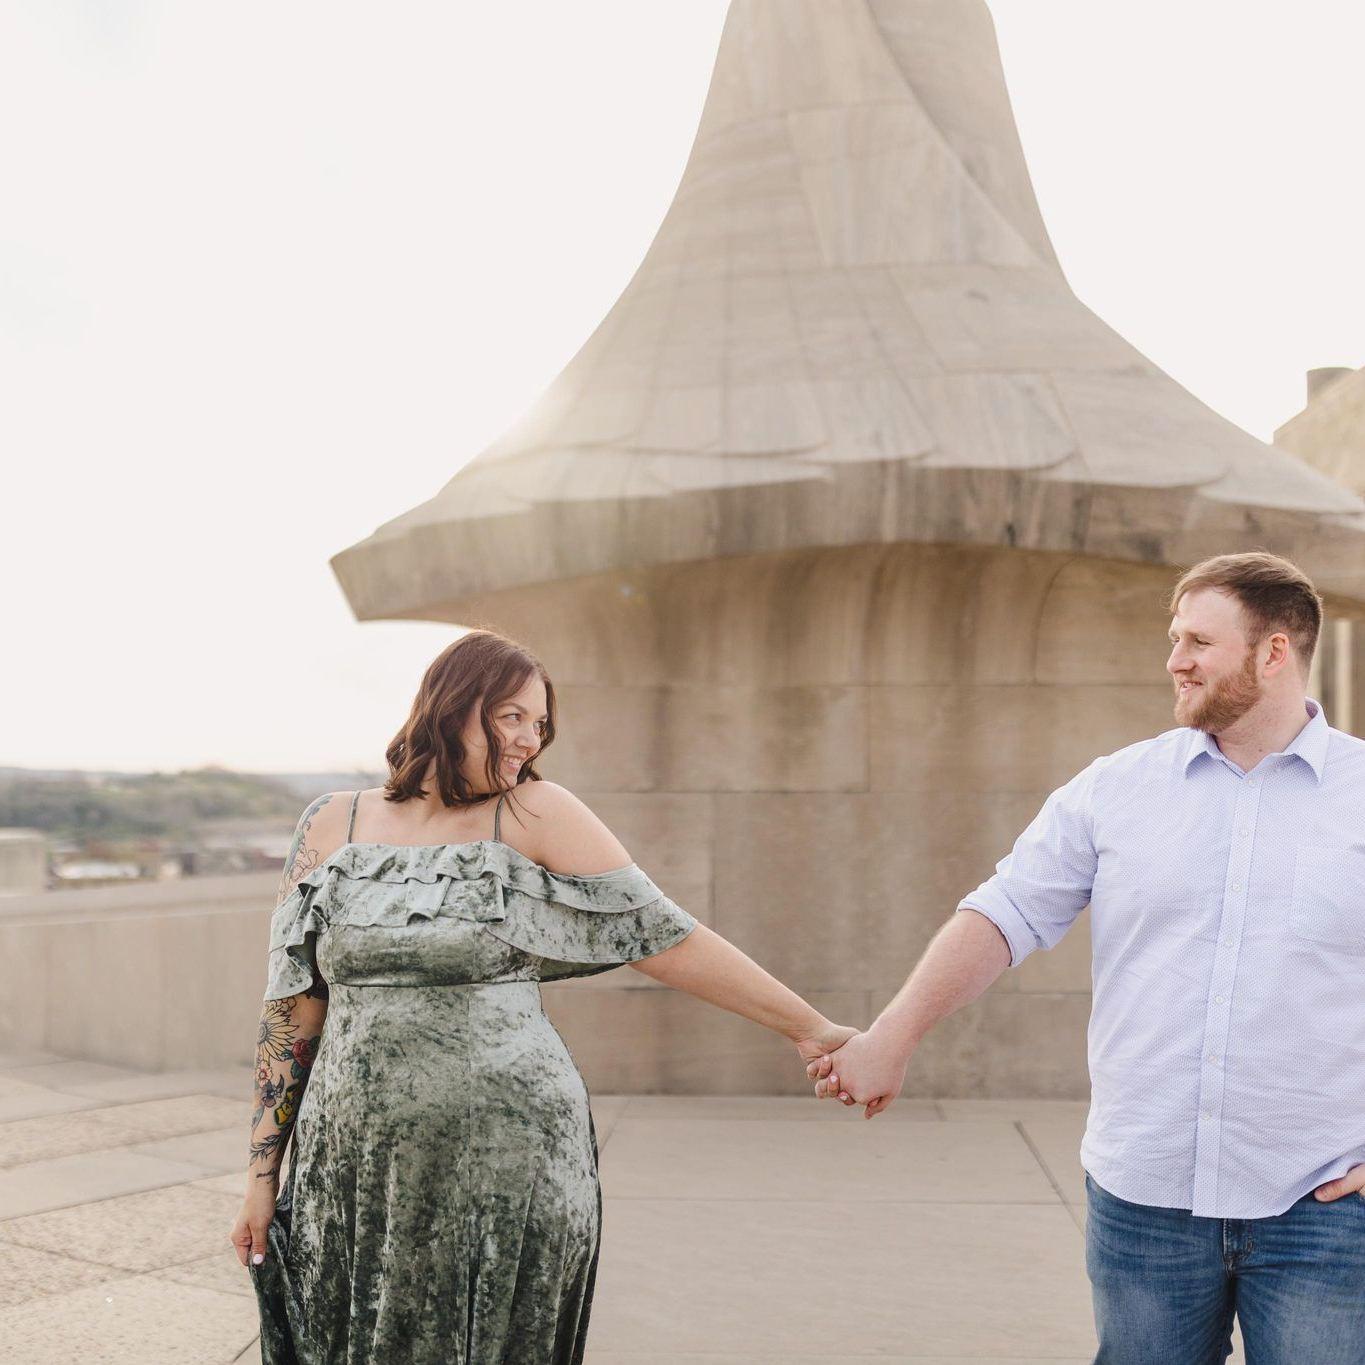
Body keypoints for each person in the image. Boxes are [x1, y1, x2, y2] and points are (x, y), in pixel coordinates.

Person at [230, 629, 855, 1364]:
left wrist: (810, 1029)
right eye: (511, 717)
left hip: (507, 1152)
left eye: (540, 724)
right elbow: (292, 1009)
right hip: (351, 1160)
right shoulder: (331, 820)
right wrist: (260, 1177)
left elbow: (665, 937)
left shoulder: (537, 812)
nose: (530, 740)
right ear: (452, 706)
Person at [810, 552, 1365, 1363]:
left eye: (1198, 641)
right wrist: (891, 1036)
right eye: (1174, 637)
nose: (1174, 659)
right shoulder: (1116, 788)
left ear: (1273, 651)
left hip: (1320, 1203)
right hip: (1143, 1200)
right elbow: (1004, 912)